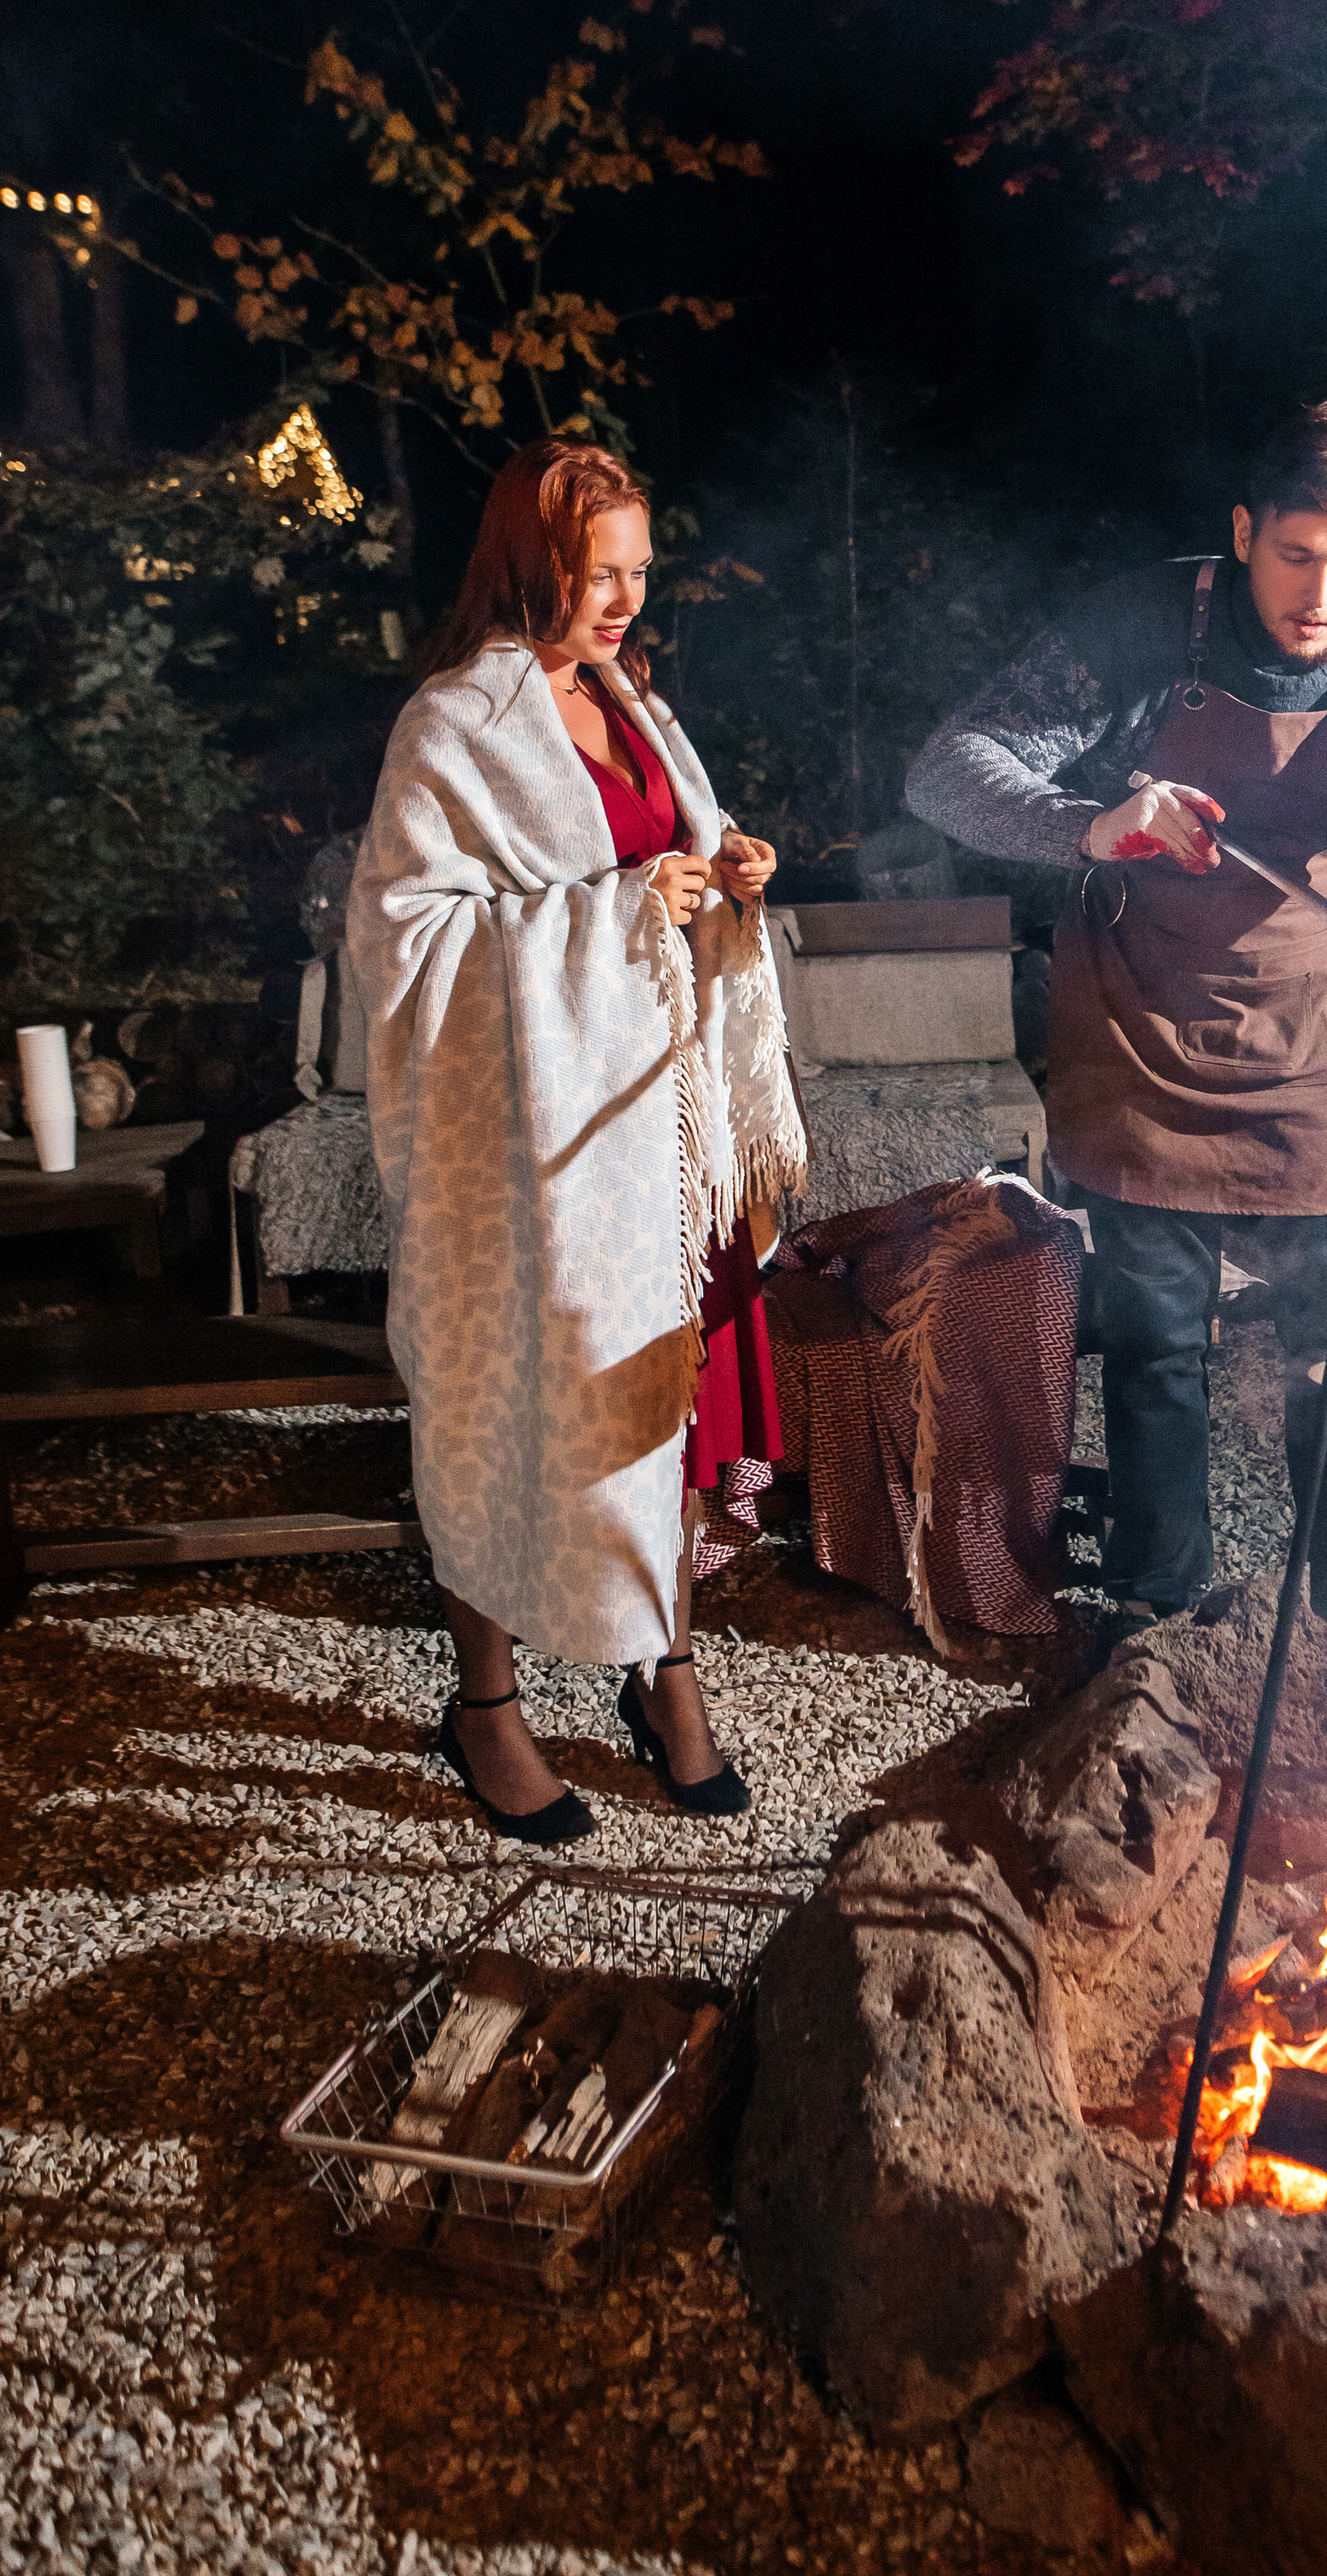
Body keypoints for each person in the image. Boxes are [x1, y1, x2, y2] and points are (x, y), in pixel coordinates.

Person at [905, 398, 1327, 1623]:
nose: (1322, 595)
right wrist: (1089, 824)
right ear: (1242, 531)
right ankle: (1155, 1619)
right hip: (1143, 1026)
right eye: (1296, 555)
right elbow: (947, 769)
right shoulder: (1142, 628)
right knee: (1157, 1345)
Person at [349, 439, 808, 1841]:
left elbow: (669, 871)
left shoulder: (632, 701)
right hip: (531, 1157)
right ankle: (486, 1705)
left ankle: (664, 1669)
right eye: (598, 573)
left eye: (639, 572)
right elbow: (405, 944)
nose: (623, 601)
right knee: (498, 1400)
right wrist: (613, 916)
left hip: (658, 1136)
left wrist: (729, 875)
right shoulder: (455, 723)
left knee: (663, 1403)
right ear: (528, 562)